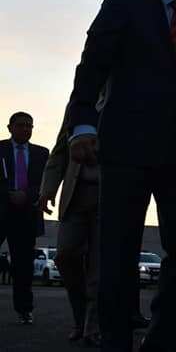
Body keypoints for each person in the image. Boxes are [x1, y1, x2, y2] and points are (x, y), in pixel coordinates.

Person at [66, 0, 176, 352]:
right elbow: (91, 68)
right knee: (118, 249)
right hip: (126, 148)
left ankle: (162, 338)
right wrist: (83, 125)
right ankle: (115, 340)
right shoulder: (125, 5)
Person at [39, 103, 105, 346]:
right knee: (65, 255)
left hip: (110, 198)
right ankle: (80, 316)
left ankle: (91, 326)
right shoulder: (79, 102)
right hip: (75, 196)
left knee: (99, 268)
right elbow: (59, 152)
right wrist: (48, 190)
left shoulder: (128, 92)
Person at [0, 111, 49, 325]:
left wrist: (26, 195)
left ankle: (24, 310)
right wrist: (8, 194)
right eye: (20, 125)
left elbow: (46, 183)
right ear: (10, 127)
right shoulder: (0, 149)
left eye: (29, 125)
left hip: (26, 215)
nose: (25, 129)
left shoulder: (41, 153)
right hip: (1, 210)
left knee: (23, 266)